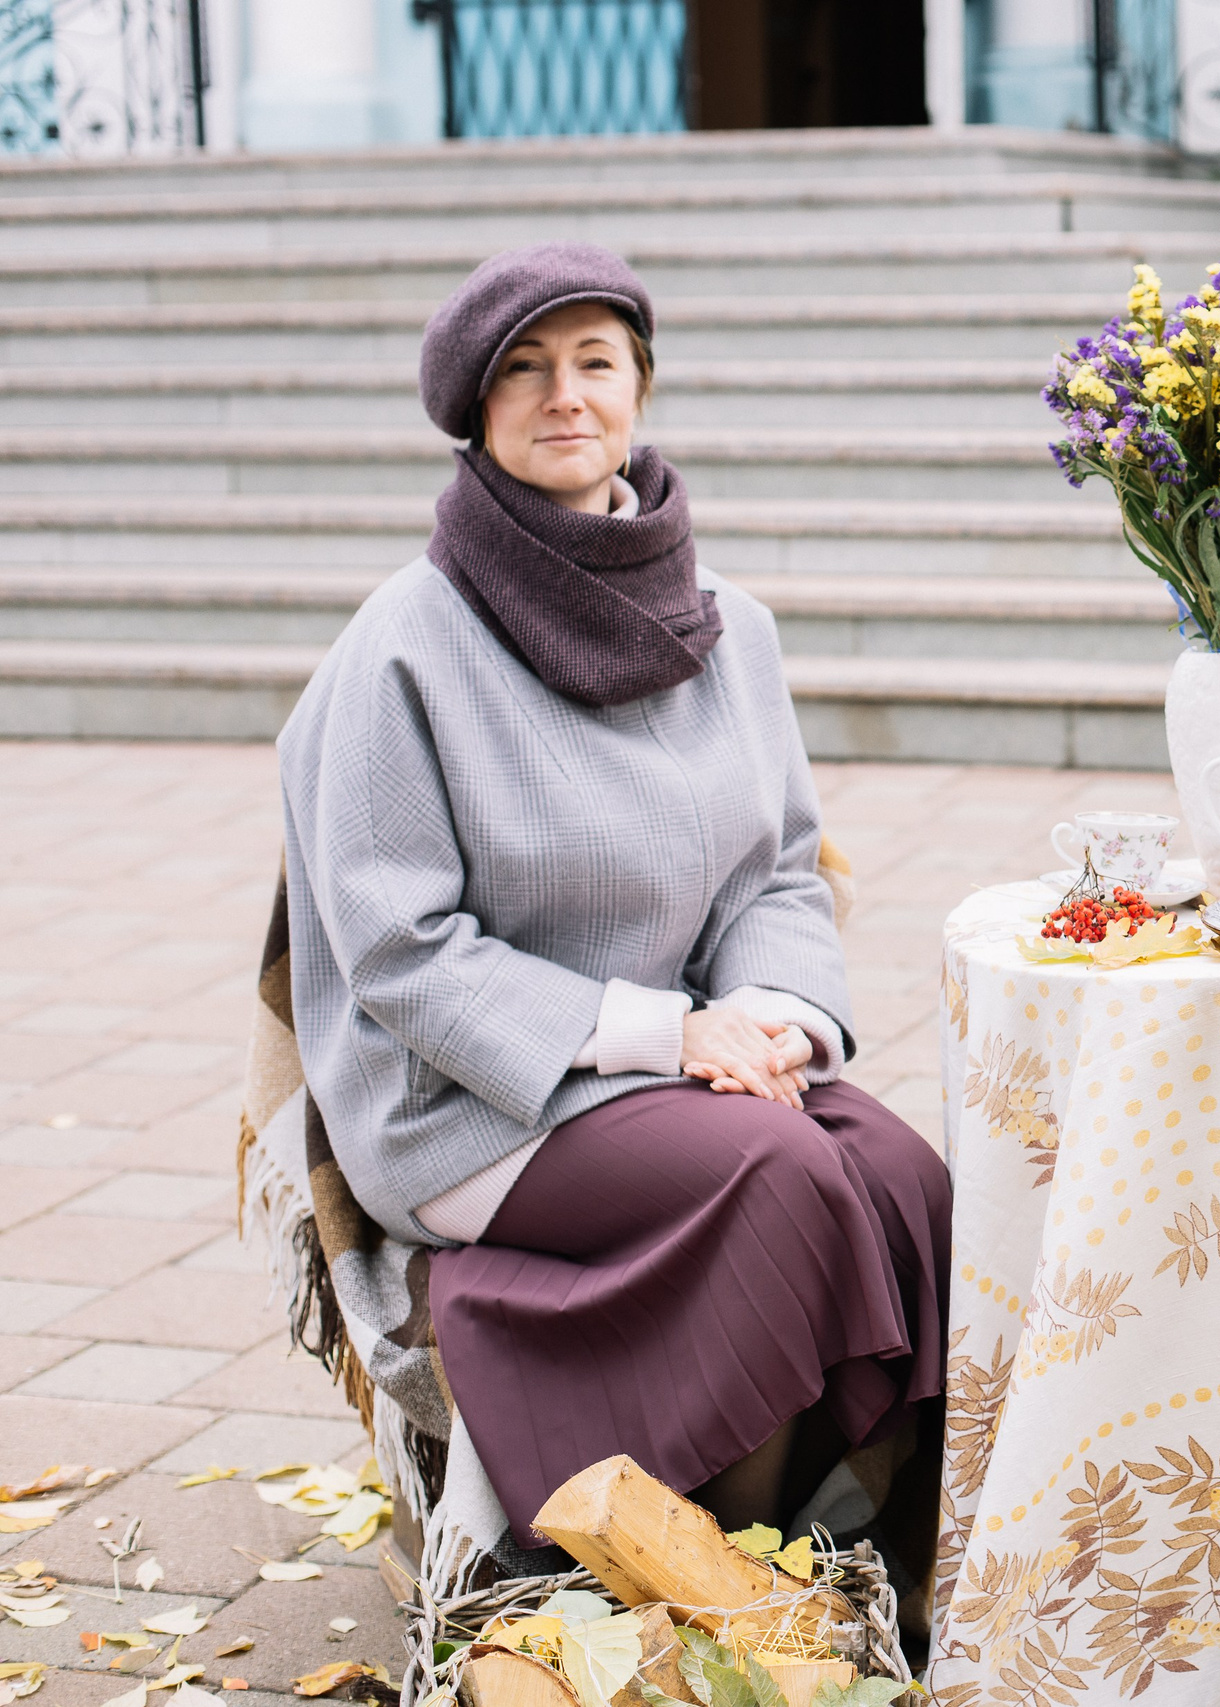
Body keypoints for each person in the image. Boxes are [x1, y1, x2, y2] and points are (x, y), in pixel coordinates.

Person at [276, 243, 950, 1565]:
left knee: (906, 1180)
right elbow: (400, 952)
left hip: (683, 1065)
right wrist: (668, 1035)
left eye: (594, 361)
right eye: (522, 370)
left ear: (639, 388)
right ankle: (632, 1554)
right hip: (469, 1101)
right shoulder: (405, 642)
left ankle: (863, 1549)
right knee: (791, 1179)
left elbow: (776, 869)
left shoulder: (728, 625)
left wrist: (770, 1017)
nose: (564, 394)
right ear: (474, 412)